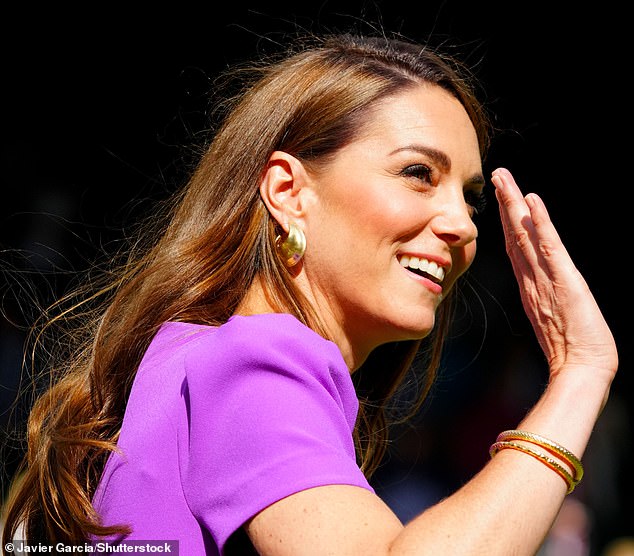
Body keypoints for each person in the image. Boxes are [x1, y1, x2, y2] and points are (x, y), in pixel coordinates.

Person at [1, 31, 618, 555]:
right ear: (289, 192)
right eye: (417, 174)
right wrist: (580, 376)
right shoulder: (253, 361)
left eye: (470, 196)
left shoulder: (191, 361)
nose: (461, 223)